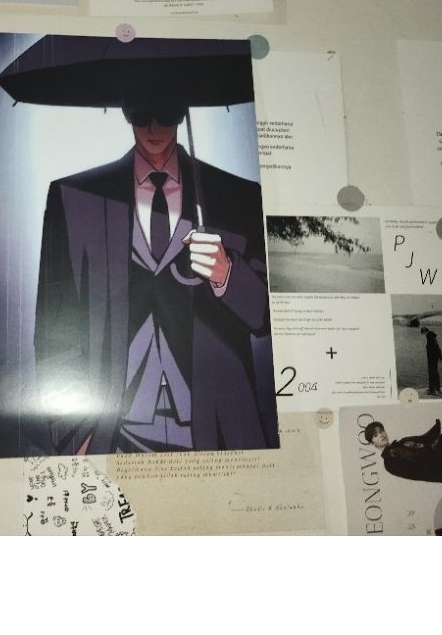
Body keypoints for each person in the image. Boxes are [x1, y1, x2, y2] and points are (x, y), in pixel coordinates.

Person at [34, 98, 276, 455]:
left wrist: (227, 274)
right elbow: (53, 322)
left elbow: (266, 317)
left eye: (165, 112)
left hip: (218, 432)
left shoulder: (236, 196)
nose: (152, 127)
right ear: (124, 111)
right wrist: (73, 435)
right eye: (140, 113)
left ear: (183, 111)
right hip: (112, 432)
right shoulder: (74, 197)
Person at [364, 419, 442, 482]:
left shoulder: (401, 442)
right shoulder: (389, 462)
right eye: (375, 435)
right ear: (373, 444)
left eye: (381, 430)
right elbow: (419, 470)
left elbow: (424, 440)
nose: (381, 435)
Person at [421, 326, 442, 395]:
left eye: (423, 333)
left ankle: (432, 390)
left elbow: (433, 348)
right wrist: (440, 356)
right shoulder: (432, 336)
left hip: (432, 358)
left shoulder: (429, 336)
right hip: (434, 358)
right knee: (435, 373)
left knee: (432, 373)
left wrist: (436, 356)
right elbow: (437, 347)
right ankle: (437, 389)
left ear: (424, 332)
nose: (424, 335)